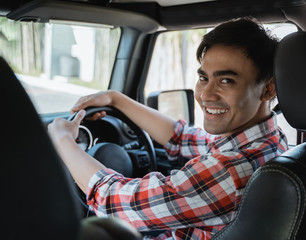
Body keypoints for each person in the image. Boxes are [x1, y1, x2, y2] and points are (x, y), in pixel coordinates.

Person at [48, 17, 288, 240]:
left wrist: (63, 141)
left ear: (268, 89)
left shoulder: (228, 170)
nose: (205, 94)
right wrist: (115, 99)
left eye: (226, 81)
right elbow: (182, 137)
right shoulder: (270, 141)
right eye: (204, 78)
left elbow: (115, 204)